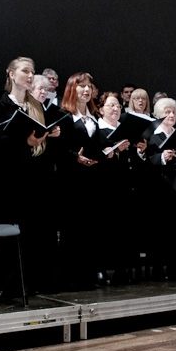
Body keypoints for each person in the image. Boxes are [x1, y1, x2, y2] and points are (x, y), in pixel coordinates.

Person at [0, 56, 62, 295]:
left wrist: (49, 135)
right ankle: (4, 285)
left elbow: (41, 146)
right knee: (13, 235)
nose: (30, 75)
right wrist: (25, 142)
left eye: (33, 71)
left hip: (36, 177)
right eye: (25, 71)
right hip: (11, 178)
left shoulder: (36, 105)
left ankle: (32, 283)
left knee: (36, 234)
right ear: (11, 74)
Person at [54, 71, 115, 290]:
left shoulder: (93, 118)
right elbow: (57, 149)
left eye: (89, 86)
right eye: (82, 86)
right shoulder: (63, 116)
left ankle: (89, 274)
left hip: (91, 180)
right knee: (73, 229)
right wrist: (75, 158)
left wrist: (107, 151)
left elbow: (94, 146)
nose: (87, 90)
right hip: (72, 181)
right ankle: (70, 277)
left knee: (91, 228)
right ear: (72, 89)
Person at [97, 91, 149, 284]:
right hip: (107, 187)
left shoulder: (126, 130)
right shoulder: (98, 130)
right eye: (110, 105)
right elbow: (98, 159)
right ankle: (102, 269)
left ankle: (123, 269)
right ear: (101, 109)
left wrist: (140, 152)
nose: (115, 109)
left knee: (126, 230)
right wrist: (115, 150)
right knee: (107, 230)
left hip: (127, 187)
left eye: (118, 106)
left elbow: (135, 161)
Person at [143, 97, 176, 281]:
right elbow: (146, 161)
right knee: (159, 229)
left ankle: (173, 266)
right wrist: (162, 157)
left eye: (173, 112)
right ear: (158, 116)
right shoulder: (151, 136)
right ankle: (157, 267)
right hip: (159, 188)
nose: (171, 115)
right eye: (167, 112)